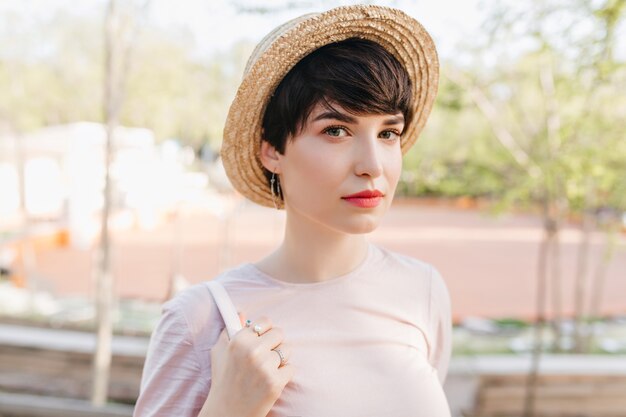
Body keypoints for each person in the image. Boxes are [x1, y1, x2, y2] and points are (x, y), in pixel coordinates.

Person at [133, 4, 452, 417]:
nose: (372, 164)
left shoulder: (422, 290)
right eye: (336, 130)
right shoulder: (201, 320)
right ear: (273, 151)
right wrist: (227, 409)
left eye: (388, 132)